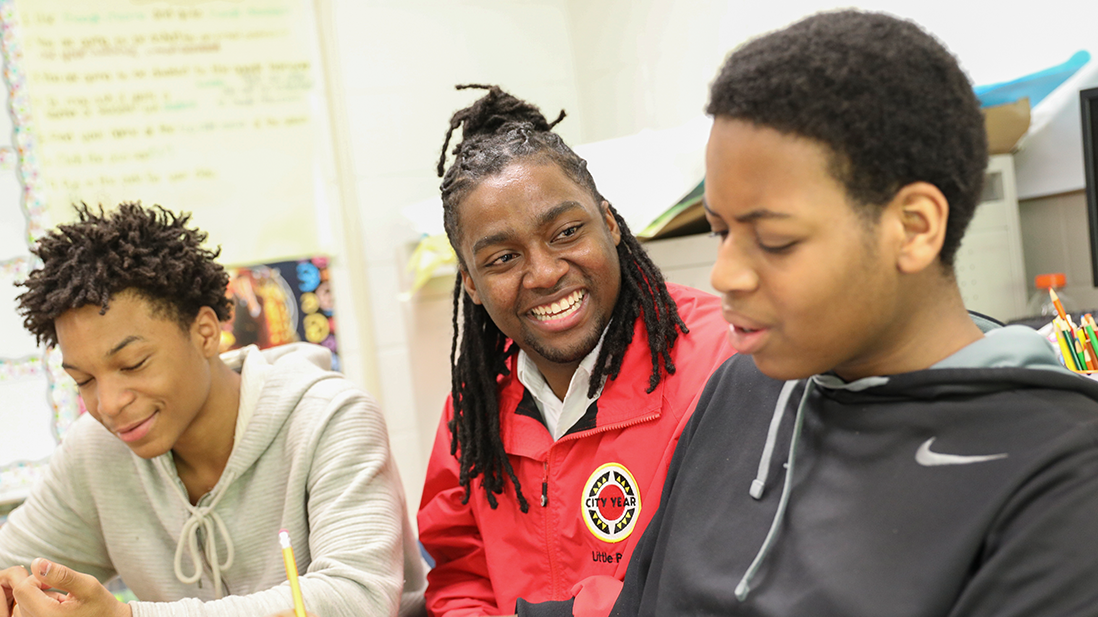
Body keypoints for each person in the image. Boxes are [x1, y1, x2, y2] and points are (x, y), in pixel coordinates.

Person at [611, 10, 1098, 616]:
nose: (725, 275)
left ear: (913, 228)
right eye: (719, 231)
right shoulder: (741, 390)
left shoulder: (1062, 475)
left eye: (775, 240)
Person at [0, 203, 426, 617]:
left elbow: (356, 599)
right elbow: (8, 566)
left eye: (133, 365)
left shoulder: (331, 419)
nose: (108, 404)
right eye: (84, 381)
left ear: (205, 332)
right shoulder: (96, 453)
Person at [416, 85, 735, 617]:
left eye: (566, 232)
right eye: (501, 258)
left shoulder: (719, 360)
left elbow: (727, 565)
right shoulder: (475, 408)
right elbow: (460, 575)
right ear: (469, 282)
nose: (544, 274)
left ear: (609, 222)